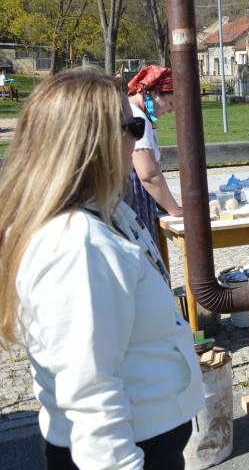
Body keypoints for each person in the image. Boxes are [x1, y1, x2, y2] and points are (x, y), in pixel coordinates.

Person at [0, 68, 203, 470]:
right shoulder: (77, 244)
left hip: (148, 435)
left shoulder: (99, 214)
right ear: (92, 143)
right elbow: (90, 398)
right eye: (132, 127)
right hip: (131, 448)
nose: (138, 138)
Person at [126, 65, 182, 234]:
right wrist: (175, 210)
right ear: (156, 92)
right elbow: (148, 174)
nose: (170, 111)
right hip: (134, 199)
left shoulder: (132, 111)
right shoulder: (137, 117)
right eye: (170, 103)